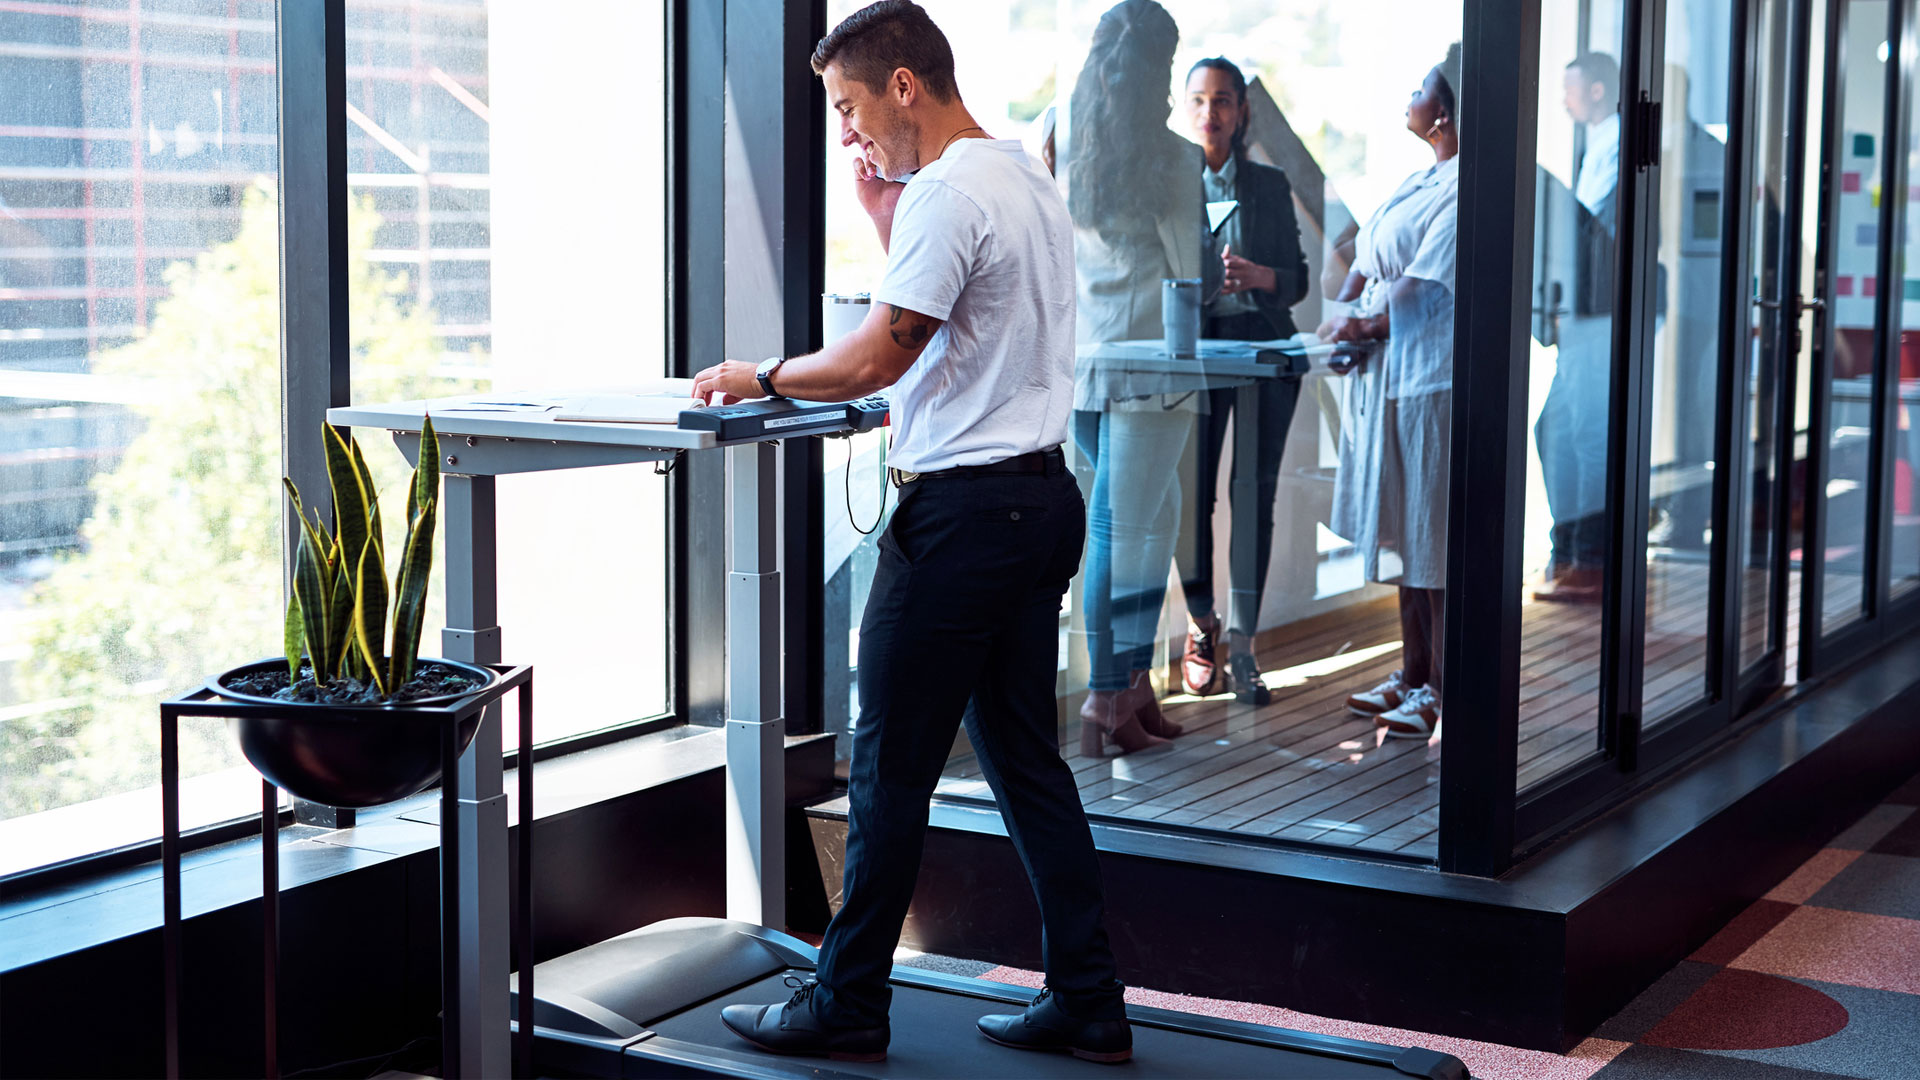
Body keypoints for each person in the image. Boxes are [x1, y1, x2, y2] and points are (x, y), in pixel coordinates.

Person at [692, 1, 1133, 1064]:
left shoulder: (948, 191)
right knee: (1029, 763)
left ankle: (844, 1003)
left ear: (902, 86)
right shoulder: (1021, 172)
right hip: (1038, 502)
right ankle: (1089, 998)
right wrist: (886, 219)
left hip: (965, 520)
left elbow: (878, 360)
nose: (847, 131)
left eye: (849, 107)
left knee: (890, 765)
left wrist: (758, 375)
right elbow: (963, 324)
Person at [1068, 0, 1220, 755]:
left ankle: (1133, 687)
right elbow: (1190, 277)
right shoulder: (1173, 159)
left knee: (1145, 522)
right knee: (1126, 532)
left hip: (1083, 364)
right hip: (1154, 366)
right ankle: (1106, 698)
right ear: (1161, 67)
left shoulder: (1059, 137)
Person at [1321, 44, 1462, 740]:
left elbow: (1423, 288)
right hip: (1388, 374)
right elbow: (1367, 252)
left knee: (1430, 536)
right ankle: (1411, 672)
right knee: (1407, 531)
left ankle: (1440, 686)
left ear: (1443, 110)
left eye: (1419, 90)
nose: (1408, 98)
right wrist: (1344, 317)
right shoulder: (1419, 178)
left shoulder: (1472, 185)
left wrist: (1360, 325)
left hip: (1429, 377)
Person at [1173, 56, 1311, 705]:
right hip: (1196, 359)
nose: (1211, 113)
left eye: (1223, 100)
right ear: (1185, 106)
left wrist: (1262, 278)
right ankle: (1204, 628)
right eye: (1200, 100)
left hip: (1263, 358)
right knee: (1190, 503)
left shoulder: (1269, 183)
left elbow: (1300, 277)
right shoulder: (1168, 181)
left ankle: (1248, 651)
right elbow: (1153, 272)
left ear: (1240, 110)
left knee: (1253, 497)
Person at [1534, 52, 1620, 604]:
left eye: (1569, 90)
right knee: (1553, 430)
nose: (1563, 101)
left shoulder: (1619, 150)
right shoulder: (1597, 147)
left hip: (1597, 316)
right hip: (1583, 313)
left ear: (1593, 91)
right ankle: (1570, 550)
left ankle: (1590, 560)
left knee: (1586, 436)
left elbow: (1594, 236)